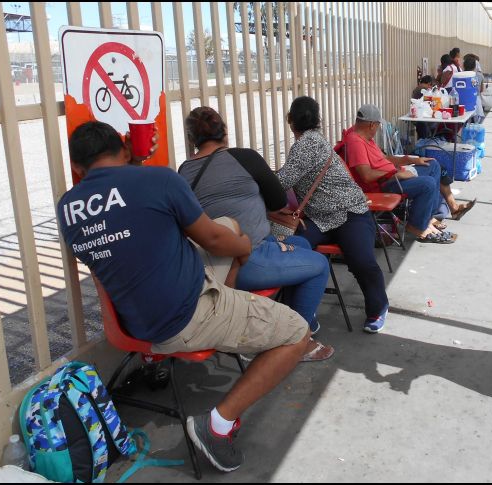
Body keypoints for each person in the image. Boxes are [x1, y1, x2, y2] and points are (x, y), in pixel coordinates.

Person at [59, 121, 310, 472]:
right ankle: (216, 426)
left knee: (228, 223)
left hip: (133, 322)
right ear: (125, 149)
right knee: (297, 332)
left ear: (76, 167)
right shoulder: (158, 179)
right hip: (187, 315)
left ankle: (218, 311)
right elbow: (215, 242)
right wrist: (244, 248)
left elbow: (124, 216)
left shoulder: (67, 208)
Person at [178, 106, 334, 362]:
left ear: (191, 139)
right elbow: (277, 202)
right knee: (318, 264)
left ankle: (287, 318)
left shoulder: (185, 170)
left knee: (302, 244)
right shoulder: (245, 157)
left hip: (207, 264)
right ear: (225, 131)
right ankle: (298, 339)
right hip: (246, 258)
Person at [277, 96, 390, 333]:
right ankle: (302, 314)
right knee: (293, 251)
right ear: (319, 119)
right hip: (320, 219)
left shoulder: (308, 143)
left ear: (289, 120)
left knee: (360, 259)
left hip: (349, 212)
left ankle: (378, 307)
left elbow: (283, 181)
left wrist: (251, 176)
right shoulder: (313, 141)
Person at [344, 104, 476, 243]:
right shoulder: (355, 141)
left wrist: (408, 160)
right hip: (385, 183)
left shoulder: (366, 138)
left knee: (433, 165)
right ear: (372, 125)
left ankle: (428, 218)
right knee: (428, 184)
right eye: (377, 125)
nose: (377, 129)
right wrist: (395, 173)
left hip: (392, 175)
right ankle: (417, 227)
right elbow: (367, 175)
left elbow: (384, 159)